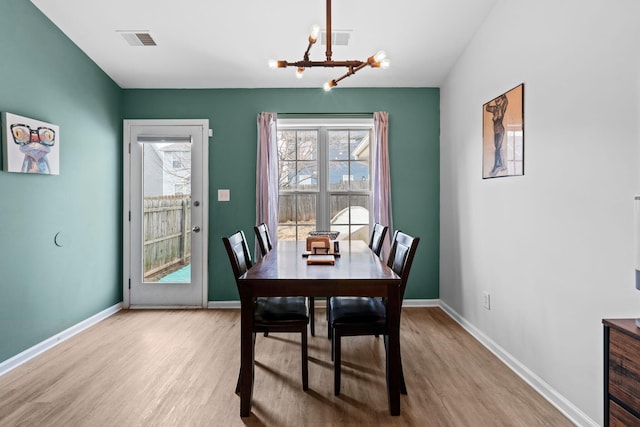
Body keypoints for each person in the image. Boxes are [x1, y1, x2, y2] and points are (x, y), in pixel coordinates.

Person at [485, 94, 508, 176]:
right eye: (496, 100)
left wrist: (503, 96)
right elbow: (487, 108)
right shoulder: (494, 109)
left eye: (498, 99)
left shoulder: (502, 108)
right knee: (497, 147)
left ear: (501, 100)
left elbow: (506, 101)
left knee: (497, 148)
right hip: (496, 132)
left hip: (500, 131)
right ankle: (501, 164)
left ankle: (496, 166)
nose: (497, 101)